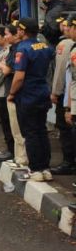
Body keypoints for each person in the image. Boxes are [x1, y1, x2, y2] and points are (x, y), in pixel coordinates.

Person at [8, 17, 54, 182]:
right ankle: (45, 168)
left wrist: (12, 93)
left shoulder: (23, 48)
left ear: (22, 30)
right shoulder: (45, 46)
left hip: (27, 95)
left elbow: (19, 77)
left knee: (31, 133)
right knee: (41, 131)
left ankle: (35, 169)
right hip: (42, 92)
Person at [49, 17, 76, 175]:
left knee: (65, 130)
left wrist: (55, 92)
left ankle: (68, 162)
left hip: (69, 97)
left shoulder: (65, 45)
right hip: (69, 95)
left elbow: (62, 74)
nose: (65, 28)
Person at [0, 24, 18, 161]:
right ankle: (9, 149)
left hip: (2, 91)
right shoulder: (2, 50)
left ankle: (11, 150)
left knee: (7, 123)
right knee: (5, 123)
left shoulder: (8, 52)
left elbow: (3, 74)